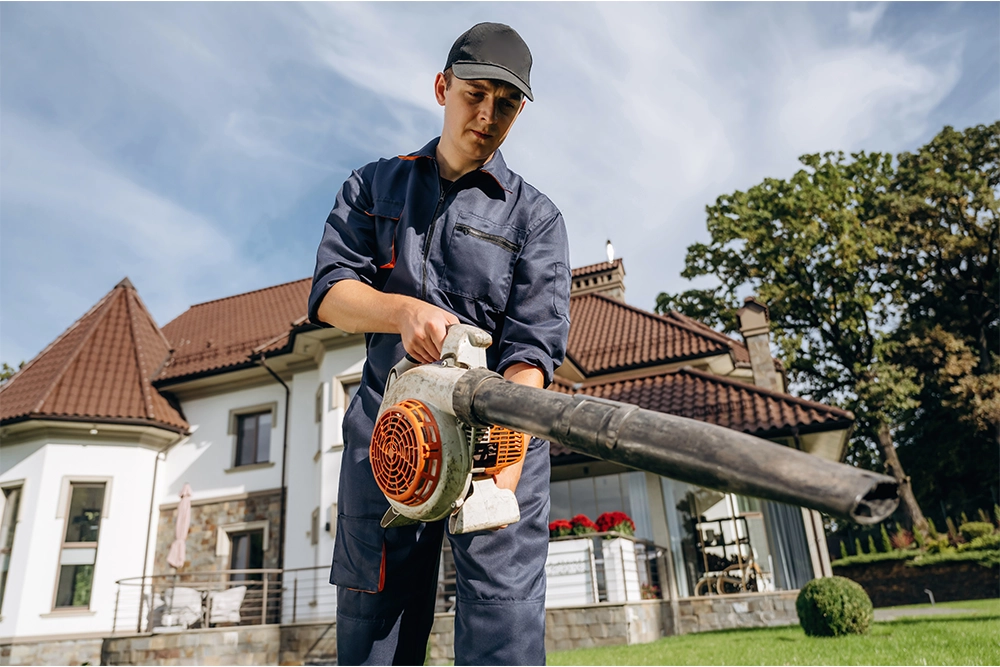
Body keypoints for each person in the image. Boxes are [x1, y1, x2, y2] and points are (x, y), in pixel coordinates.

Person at [308, 22, 571, 666]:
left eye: (506, 104)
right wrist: (401, 311)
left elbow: (532, 352)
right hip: (389, 443)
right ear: (441, 87)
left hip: (497, 444)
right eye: (474, 93)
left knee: (502, 633)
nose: (486, 114)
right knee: (374, 634)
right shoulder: (373, 186)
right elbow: (329, 293)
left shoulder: (536, 219)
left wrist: (504, 463)